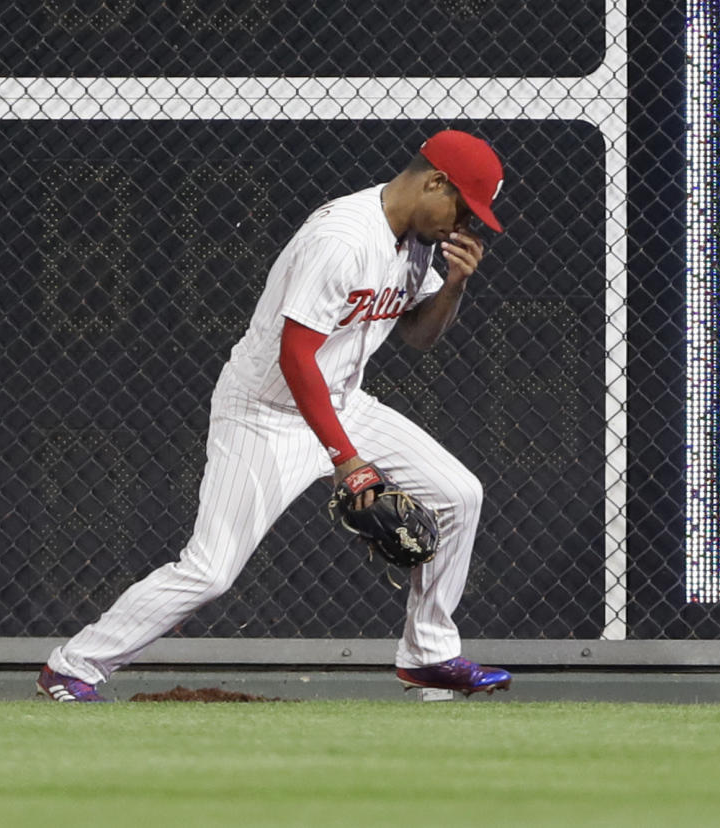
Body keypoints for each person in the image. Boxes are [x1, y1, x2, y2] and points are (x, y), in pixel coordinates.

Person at [36, 130, 511, 702]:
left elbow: (417, 335)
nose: (464, 224)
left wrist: (454, 287)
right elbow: (294, 357)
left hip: (339, 400)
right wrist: (348, 461)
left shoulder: (418, 243)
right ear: (435, 181)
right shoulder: (342, 237)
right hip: (264, 412)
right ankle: (73, 666)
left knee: (459, 493)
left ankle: (429, 656)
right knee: (210, 570)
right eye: (464, 206)